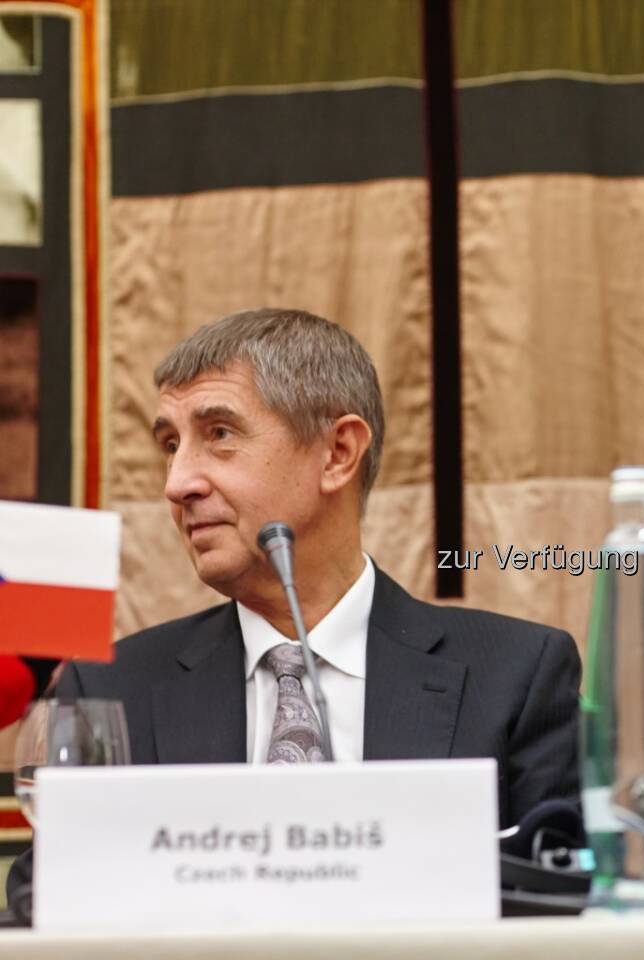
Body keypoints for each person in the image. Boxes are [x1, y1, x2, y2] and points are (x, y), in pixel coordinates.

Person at [7, 308, 580, 899]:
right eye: (171, 445)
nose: (176, 484)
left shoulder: (516, 673)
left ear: (337, 452)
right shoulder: (110, 685)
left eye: (219, 435)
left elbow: (562, 899)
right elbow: (43, 905)